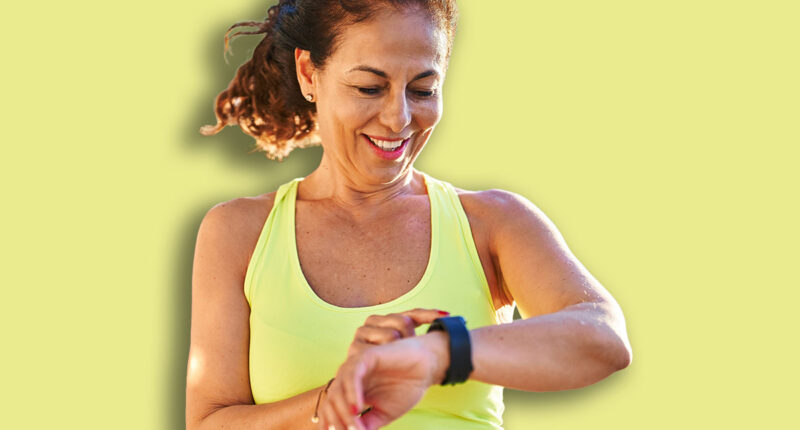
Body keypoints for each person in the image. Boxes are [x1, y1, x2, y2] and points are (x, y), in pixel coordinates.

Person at [185, 1, 632, 429]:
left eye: (423, 90)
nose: (398, 118)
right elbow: (209, 422)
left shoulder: (492, 224)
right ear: (308, 73)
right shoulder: (239, 233)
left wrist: (437, 354)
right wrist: (339, 399)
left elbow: (603, 337)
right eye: (369, 87)